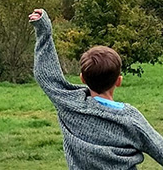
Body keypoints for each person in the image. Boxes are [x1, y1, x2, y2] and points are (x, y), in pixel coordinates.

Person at [29, 9, 163, 170]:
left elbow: (47, 76)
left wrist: (44, 31)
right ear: (119, 81)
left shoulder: (70, 105)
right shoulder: (131, 119)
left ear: (82, 79)